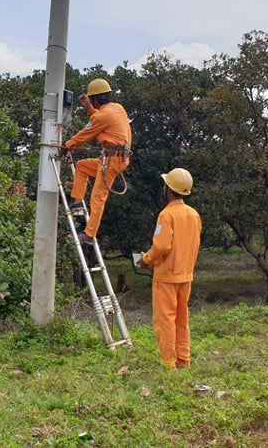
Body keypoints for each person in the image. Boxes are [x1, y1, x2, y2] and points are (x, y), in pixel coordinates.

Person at [136, 168, 202, 370]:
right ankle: (183, 359)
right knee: (182, 319)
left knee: (165, 320)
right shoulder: (193, 215)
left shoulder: (166, 215)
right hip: (186, 275)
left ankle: (168, 362)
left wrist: (146, 259)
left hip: (166, 277)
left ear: (168, 189)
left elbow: (162, 246)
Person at [60, 78, 132, 246]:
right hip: (112, 158)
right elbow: (100, 120)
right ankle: (77, 201)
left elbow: (86, 133)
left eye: (91, 99)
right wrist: (89, 108)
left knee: (97, 197)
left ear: (96, 99)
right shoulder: (117, 108)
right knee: (82, 167)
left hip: (112, 160)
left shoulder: (104, 115)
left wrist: (67, 145)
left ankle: (89, 235)